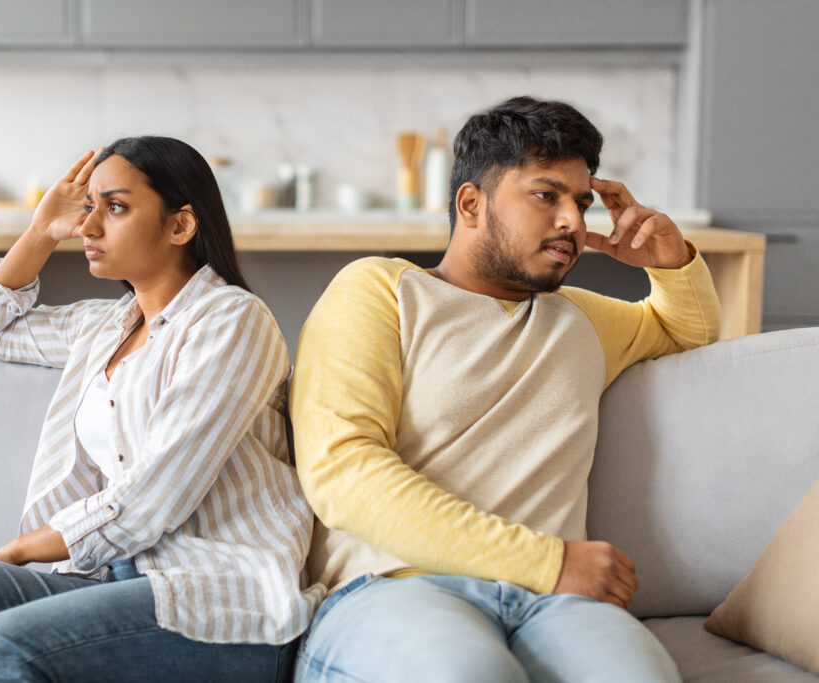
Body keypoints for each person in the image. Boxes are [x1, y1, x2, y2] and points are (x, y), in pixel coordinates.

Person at [0, 136, 325, 682]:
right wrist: (39, 231)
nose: (88, 227)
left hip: (214, 599)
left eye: (116, 207)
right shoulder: (103, 326)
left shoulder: (232, 321)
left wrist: (20, 550)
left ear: (180, 225)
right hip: (103, 582)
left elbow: (154, 497)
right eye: (88, 207)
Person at [289, 96, 720, 682]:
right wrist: (548, 560)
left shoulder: (582, 320)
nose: (572, 220)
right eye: (547, 195)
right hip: (395, 589)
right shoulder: (380, 291)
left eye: (582, 201)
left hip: (557, 606)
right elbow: (343, 473)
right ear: (472, 203)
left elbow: (686, 329)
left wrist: (670, 262)